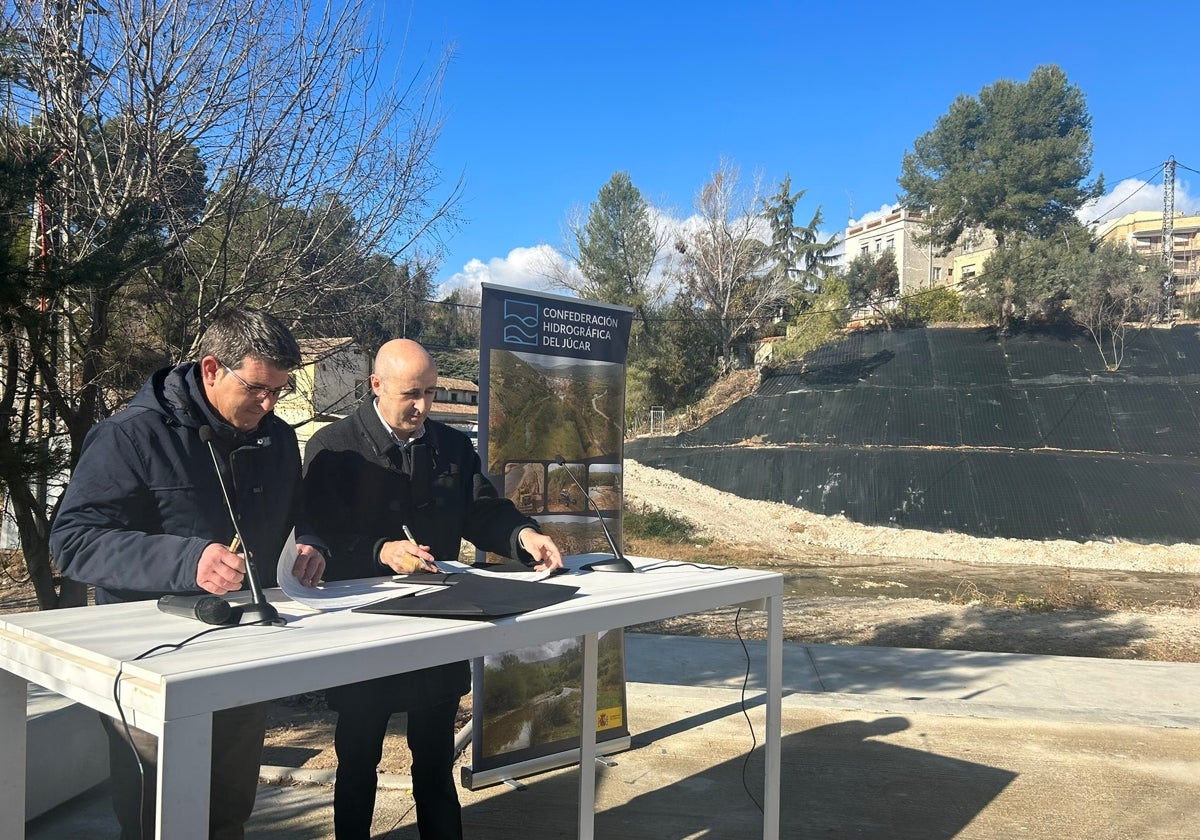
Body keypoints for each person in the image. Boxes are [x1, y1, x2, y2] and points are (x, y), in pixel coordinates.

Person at [49, 308, 327, 840]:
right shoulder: (130, 436)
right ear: (211, 368)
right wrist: (187, 560)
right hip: (152, 660)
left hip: (245, 645)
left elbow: (300, 510)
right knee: (156, 816)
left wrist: (311, 540)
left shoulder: (275, 437)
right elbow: (74, 543)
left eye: (279, 391)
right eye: (257, 389)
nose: (269, 405)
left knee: (228, 810)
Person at [302, 338, 563, 840]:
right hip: (365, 631)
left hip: (440, 622)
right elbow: (319, 535)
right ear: (376, 386)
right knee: (357, 767)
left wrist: (522, 534)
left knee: (434, 767)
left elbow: (479, 510)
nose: (421, 406)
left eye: (429, 392)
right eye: (409, 394)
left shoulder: (449, 445)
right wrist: (381, 551)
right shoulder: (333, 447)